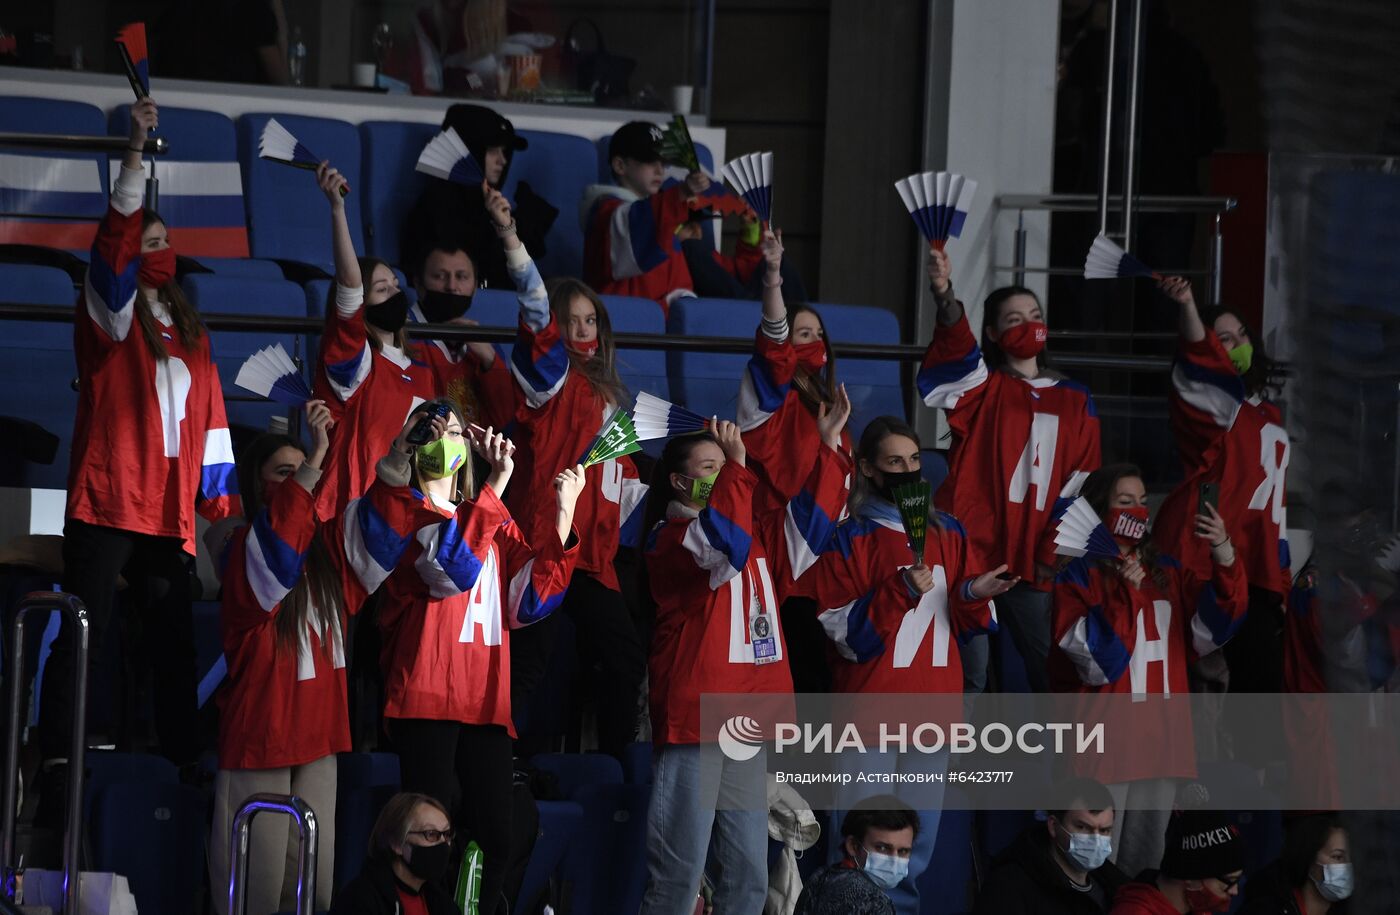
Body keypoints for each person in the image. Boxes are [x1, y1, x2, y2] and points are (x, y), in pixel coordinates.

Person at [37, 96, 241, 826]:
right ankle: (58, 755)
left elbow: (213, 427)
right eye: (141, 237)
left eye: (160, 235)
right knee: (84, 625)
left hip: (165, 507)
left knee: (172, 638)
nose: (151, 244)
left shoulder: (191, 333)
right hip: (106, 497)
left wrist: (218, 516)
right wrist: (133, 155)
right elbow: (110, 254)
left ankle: (181, 755)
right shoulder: (108, 316)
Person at [344, 400, 584, 915]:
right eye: (431, 431)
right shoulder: (404, 513)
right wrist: (495, 487)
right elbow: (451, 569)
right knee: (428, 836)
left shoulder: (490, 518)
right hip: (425, 697)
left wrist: (563, 516)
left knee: (498, 834)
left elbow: (530, 603)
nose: (444, 438)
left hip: (484, 701)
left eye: (454, 430)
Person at [639, 413, 851, 915]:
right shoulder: (672, 539)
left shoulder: (754, 535)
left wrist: (826, 449)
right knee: (678, 879)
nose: (721, 474)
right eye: (708, 467)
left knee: (749, 881)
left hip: (747, 722)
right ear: (678, 480)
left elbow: (811, 529)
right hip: (696, 721)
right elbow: (721, 546)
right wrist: (738, 464)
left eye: (723, 466)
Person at [802, 416, 1013, 915]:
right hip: (868, 714)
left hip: (934, 717)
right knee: (855, 849)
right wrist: (897, 591)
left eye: (915, 460)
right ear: (869, 469)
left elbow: (965, 623)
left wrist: (972, 593)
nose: (908, 469)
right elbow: (844, 636)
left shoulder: (951, 533)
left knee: (909, 856)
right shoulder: (848, 537)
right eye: (895, 461)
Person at [498, 182, 649, 758]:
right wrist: (513, 242)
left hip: (593, 563)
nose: (584, 332)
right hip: (546, 546)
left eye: (592, 322)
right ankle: (501, 759)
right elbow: (536, 319)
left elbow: (627, 483)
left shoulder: (614, 400)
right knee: (529, 666)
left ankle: (609, 766)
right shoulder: (553, 386)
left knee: (622, 660)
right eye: (573, 322)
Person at [1050, 463, 1246, 879]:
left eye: (1143, 502)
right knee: (1094, 872)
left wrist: (1224, 552)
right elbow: (1099, 665)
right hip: (1105, 749)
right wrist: (1124, 592)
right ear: (1099, 509)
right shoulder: (1077, 576)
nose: (1138, 511)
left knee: (1147, 874)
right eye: (1125, 502)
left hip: (1163, 744)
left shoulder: (1169, 573)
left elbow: (1219, 625)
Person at [917, 251, 1101, 694]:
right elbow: (957, 347)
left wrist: (1050, 551)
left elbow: (1081, 480)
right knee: (970, 676)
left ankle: (1054, 764)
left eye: (1035, 315)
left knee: (1048, 668)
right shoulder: (981, 389)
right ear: (995, 333)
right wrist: (944, 293)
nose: (1029, 324)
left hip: (1037, 557)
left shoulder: (1076, 399)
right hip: (969, 552)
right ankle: (957, 764)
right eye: (1015, 318)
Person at [206, 401, 346, 914]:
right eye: (284, 472)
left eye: (302, 471)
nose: (299, 481)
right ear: (256, 483)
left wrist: (398, 454)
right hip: (261, 738)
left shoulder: (329, 557)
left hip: (319, 739)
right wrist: (315, 461)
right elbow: (278, 550)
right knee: (253, 896)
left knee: (314, 894)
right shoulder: (239, 543)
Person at [1152, 278, 1291, 702]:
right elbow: (1197, 358)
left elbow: (1278, 506)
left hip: (1260, 564)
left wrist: (1281, 575)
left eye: (1242, 335)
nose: (1237, 344)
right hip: (1204, 559)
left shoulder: (1268, 413)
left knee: (1260, 693)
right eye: (1224, 339)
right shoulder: (1213, 407)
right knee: (1199, 686)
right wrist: (1189, 306)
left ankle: (1249, 772)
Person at [737, 228, 852, 691]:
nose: (814, 341)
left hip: (824, 562)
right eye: (803, 333)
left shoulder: (833, 407)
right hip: (785, 556)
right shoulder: (768, 400)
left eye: (819, 334)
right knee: (795, 680)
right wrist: (773, 280)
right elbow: (775, 356)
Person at [311, 160, 437, 522]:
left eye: (397, 286)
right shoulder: (353, 361)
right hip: (351, 512)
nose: (395, 294)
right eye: (382, 289)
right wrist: (338, 210)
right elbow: (349, 287)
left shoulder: (423, 370)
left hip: (406, 515)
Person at [582, 121, 788, 315]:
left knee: (777, 268)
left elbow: (727, 272)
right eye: (648, 161)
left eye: (663, 162)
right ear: (620, 165)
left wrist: (751, 239)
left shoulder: (667, 217)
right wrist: (681, 193)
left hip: (679, 323)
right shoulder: (606, 212)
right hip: (633, 329)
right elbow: (636, 224)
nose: (659, 170)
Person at [401, 103, 558, 292]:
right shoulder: (433, 210)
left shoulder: (493, 207)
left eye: (504, 151)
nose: (503, 160)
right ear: (468, 153)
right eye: (492, 151)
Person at [405, 231, 516, 432]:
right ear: (418, 283)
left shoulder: (484, 342)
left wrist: (490, 361)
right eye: (440, 276)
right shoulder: (403, 334)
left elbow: (505, 421)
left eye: (462, 277)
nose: (452, 287)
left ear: (475, 286)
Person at [974, 777, 1129, 915]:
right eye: (1082, 827)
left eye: (1104, 830)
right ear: (1054, 826)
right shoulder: (1009, 886)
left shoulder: (1116, 886)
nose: (1095, 840)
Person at [329, 792, 459, 915]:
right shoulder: (360, 901)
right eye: (431, 834)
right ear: (397, 843)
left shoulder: (441, 903)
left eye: (447, 835)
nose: (443, 843)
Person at [795, 798, 920, 915]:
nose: (894, 860)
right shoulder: (875, 903)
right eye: (882, 848)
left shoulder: (819, 877)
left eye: (903, 851)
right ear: (853, 846)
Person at [1109, 810, 1245, 914]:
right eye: (1228, 881)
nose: (1235, 891)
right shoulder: (1134, 911)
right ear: (1191, 878)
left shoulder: (1197, 908)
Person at [1239, 814, 1353, 914]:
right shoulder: (1266, 909)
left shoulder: (1357, 908)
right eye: (1337, 857)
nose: (1347, 865)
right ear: (1309, 858)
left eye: (1351, 858)